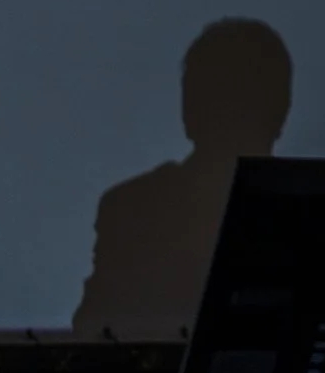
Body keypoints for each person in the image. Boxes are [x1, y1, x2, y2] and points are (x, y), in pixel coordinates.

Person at [71, 17, 292, 340]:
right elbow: (94, 328)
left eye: (231, 92)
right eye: (208, 91)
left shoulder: (131, 207)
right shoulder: (131, 209)